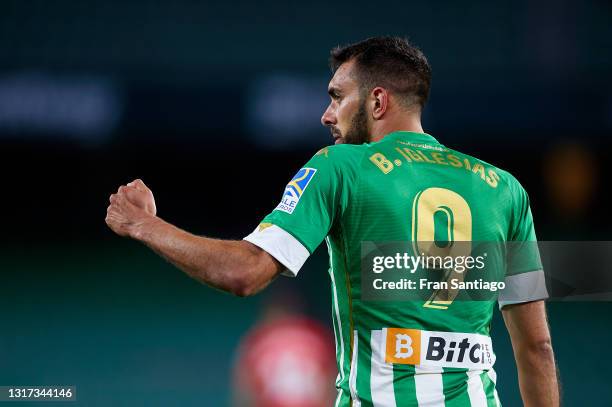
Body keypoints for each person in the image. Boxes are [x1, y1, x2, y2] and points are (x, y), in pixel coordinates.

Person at [106, 37, 559, 406]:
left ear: (378, 101)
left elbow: (244, 273)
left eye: (338, 98)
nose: (326, 115)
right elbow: (536, 349)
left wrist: (143, 224)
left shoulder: (340, 167)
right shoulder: (506, 189)